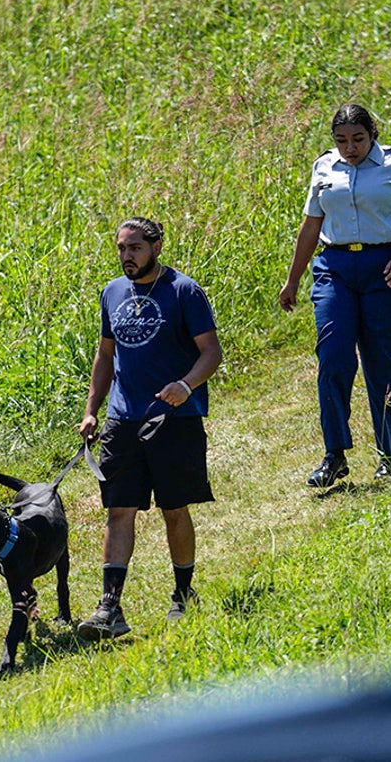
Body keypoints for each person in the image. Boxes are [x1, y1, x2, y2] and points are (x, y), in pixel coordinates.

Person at [77, 216, 223, 639]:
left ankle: (183, 594)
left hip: (174, 419)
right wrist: (92, 411)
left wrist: (185, 385)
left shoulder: (184, 291)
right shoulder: (112, 293)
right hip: (123, 420)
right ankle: (110, 608)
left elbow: (211, 352)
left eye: (135, 248)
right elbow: (105, 357)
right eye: (122, 248)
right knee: (118, 510)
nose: (127, 256)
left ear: (157, 247)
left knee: (173, 509)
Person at [279, 103, 391, 486]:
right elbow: (312, 225)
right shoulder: (325, 167)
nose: (350, 147)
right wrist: (293, 279)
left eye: (358, 139)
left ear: (372, 134)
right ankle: (334, 455)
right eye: (342, 140)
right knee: (333, 357)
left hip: (384, 267)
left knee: (380, 362)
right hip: (335, 268)